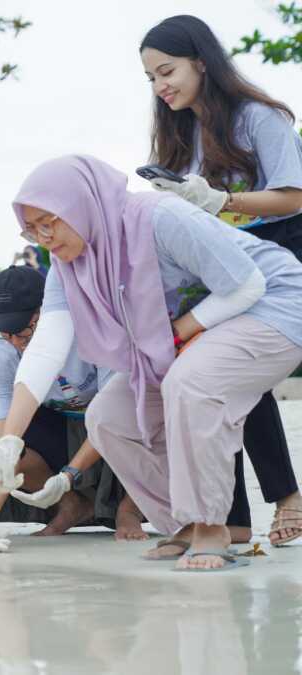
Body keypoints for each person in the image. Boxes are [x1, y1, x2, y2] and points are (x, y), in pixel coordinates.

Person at [0, 155, 302, 571]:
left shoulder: (159, 217)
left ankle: (213, 524)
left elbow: (247, 284)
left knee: (191, 382)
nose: (43, 236)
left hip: (274, 303)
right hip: (196, 331)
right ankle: (186, 522)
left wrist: (178, 333)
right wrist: (9, 440)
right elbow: (46, 348)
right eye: (32, 229)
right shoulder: (70, 263)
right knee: (108, 416)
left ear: (81, 203)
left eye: (48, 221)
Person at [139, 14, 302, 547]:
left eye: (168, 72)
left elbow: (293, 196)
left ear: (202, 63)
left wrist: (221, 202)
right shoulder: (177, 130)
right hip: (216, 264)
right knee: (208, 379)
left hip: (278, 253)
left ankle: (286, 496)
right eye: (151, 79)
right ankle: (229, 520)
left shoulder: (260, 117)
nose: (161, 87)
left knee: (235, 377)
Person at [0, 266, 153, 553]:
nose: (15, 342)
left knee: (150, 410)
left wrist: (69, 476)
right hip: (61, 432)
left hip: (117, 428)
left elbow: (111, 414)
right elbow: (1, 444)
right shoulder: (2, 351)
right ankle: (71, 505)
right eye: (5, 333)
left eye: (22, 330)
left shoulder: (96, 332)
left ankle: (130, 509)